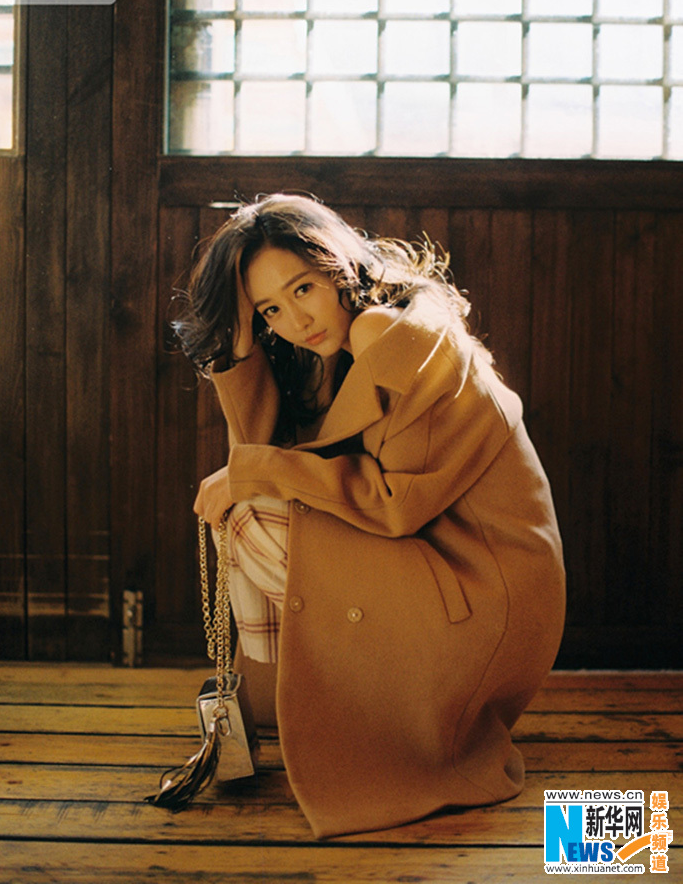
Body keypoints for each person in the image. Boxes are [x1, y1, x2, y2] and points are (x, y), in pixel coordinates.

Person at [173, 193, 565, 839]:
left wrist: (253, 473)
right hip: (440, 557)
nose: (295, 320)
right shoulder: (339, 346)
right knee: (250, 502)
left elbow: (396, 504)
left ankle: (289, 696)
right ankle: (284, 698)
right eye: (270, 309)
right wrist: (242, 347)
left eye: (302, 288)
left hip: (481, 581)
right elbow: (260, 450)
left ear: (338, 266)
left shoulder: (386, 332)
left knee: (248, 515)